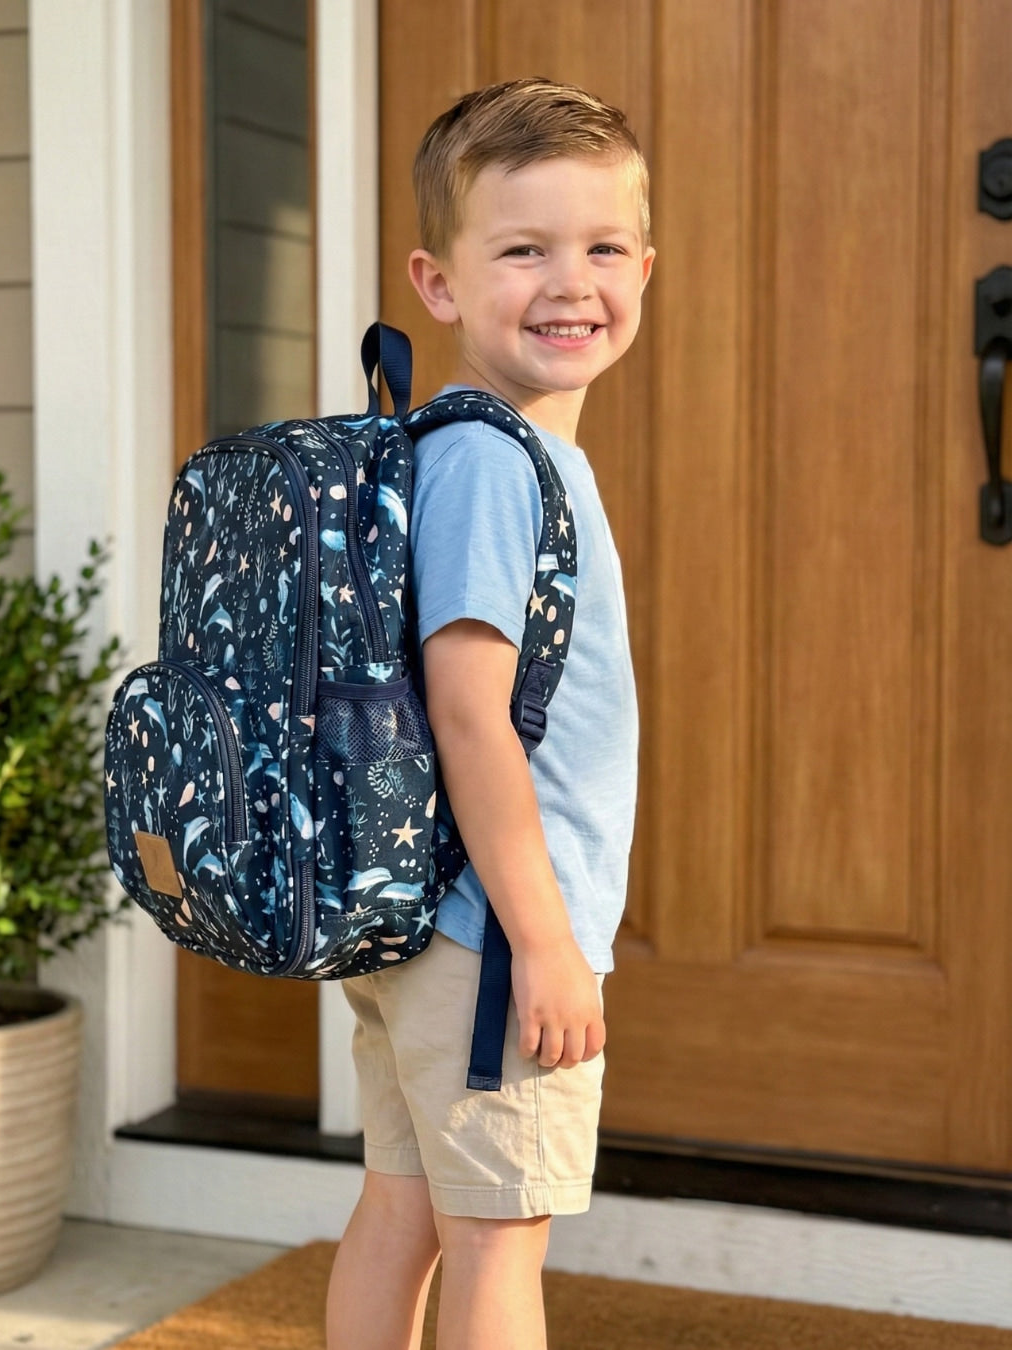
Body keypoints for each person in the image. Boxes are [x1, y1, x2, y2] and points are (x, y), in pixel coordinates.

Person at [326, 78, 655, 1350]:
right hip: (491, 940)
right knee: (500, 1242)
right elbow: (471, 718)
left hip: (443, 930)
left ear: (645, 268)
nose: (571, 282)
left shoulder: (500, 451)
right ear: (440, 282)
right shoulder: (491, 462)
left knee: (404, 1217)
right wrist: (548, 940)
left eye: (603, 248)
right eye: (523, 249)